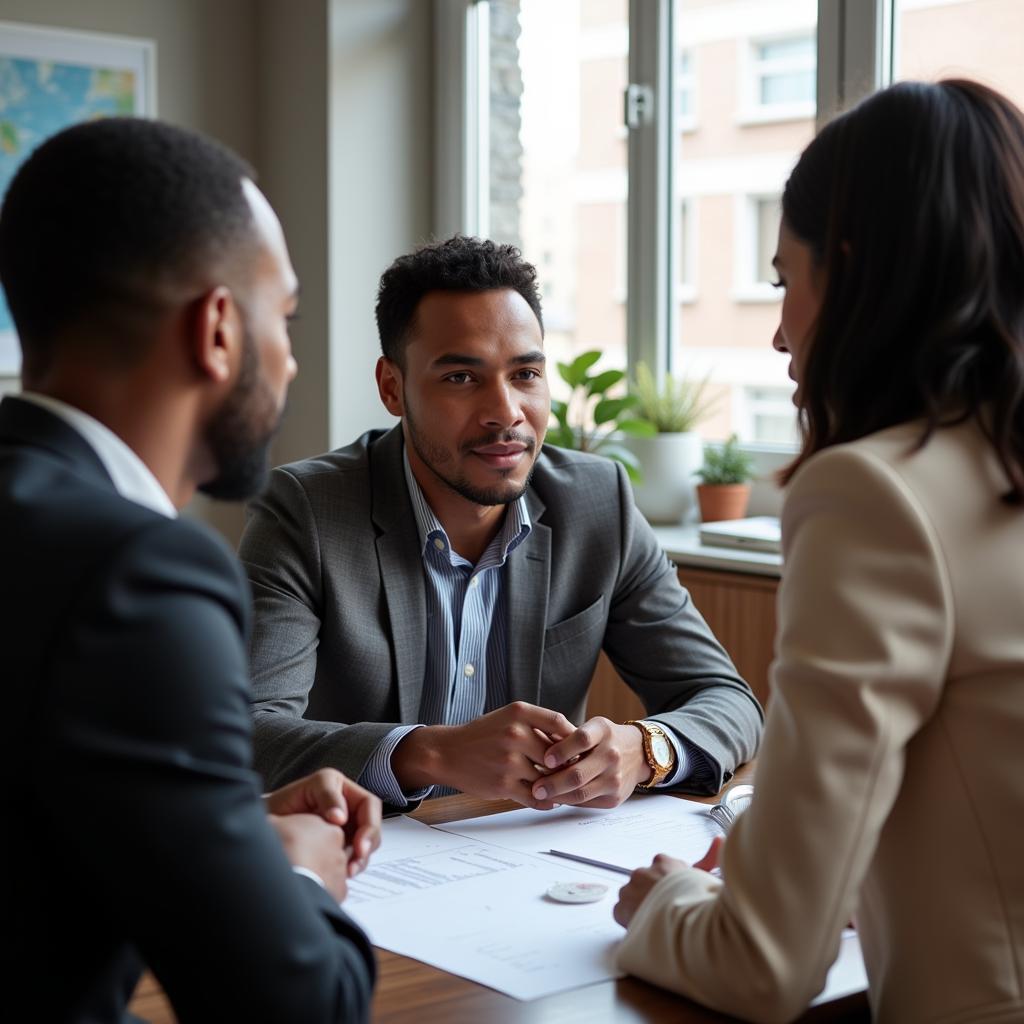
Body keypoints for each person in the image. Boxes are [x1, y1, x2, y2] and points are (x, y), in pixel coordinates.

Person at [612, 79, 1024, 1024]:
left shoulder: (877, 496)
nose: (780, 329)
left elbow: (763, 964)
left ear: (849, 275)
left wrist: (667, 903)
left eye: (783, 280)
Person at [0, 118, 381, 1023]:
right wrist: (295, 875)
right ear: (217, 328)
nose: (289, 358)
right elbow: (295, 1007)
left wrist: (231, 829)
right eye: (282, 318)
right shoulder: (141, 575)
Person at [239, 235, 762, 812]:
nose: (506, 412)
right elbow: (247, 733)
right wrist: (427, 754)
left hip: (529, 864)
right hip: (368, 859)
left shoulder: (597, 502)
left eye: (525, 374)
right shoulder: (306, 511)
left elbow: (725, 699)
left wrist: (646, 747)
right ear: (393, 387)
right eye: (462, 377)